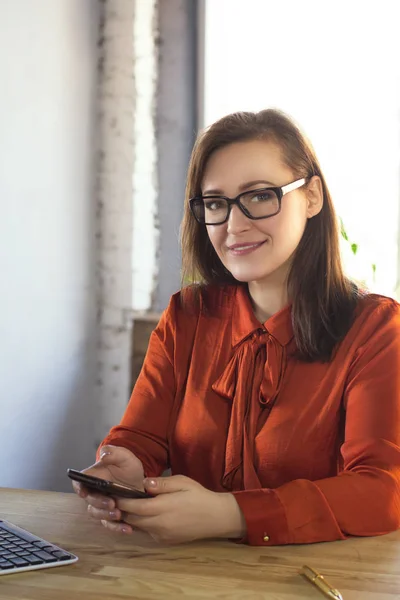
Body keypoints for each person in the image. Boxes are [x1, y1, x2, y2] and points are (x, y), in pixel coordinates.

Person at [72, 108, 400, 546]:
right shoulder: (187, 316)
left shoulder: (377, 330)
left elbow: (382, 491)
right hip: (188, 576)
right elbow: (140, 437)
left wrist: (233, 514)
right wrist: (124, 465)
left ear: (312, 197)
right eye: (215, 203)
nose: (234, 224)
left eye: (260, 195)